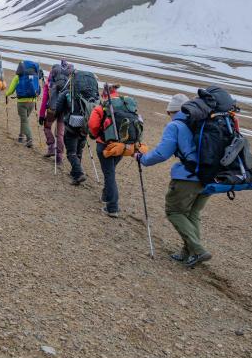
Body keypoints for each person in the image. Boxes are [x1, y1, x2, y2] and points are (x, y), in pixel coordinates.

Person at [134, 93, 213, 268]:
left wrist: (142, 158)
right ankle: (189, 252)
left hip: (188, 177)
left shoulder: (175, 125)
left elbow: (162, 153)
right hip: (210, 176)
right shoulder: (203, 122)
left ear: (171, 111)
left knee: (174, 211)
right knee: (192, 214)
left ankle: (198, 250)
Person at [88, 84, 124, 218]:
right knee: (110, 172)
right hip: (121, 147)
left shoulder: (102, 107)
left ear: (104, 94)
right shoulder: (124, 106)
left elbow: (93, 125)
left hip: (105, 146)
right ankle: (105, 196)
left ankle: (112, 207)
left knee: (109, 174)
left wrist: (96, 135)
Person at [54, 64, 90, 185]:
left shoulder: (67, 92)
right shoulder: (88, 95)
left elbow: (58, 108)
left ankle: (79, 173)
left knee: (71, 153)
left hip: (71, 126)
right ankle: (75, 173)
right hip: (85, 126)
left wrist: (61, 114)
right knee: (79, 150)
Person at [38, 60, 71, 167]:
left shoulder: (50, 82)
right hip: (64, 111)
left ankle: (51, 146)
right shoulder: (69, 83)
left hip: (52, 109)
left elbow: (44, 100)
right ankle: (59, 158)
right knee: (60, 134)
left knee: (47, 127)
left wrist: (42, 115)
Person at [4, 60, 42, 148]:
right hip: (32, 102)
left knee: (24, 120)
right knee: (24, 119)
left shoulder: (18, 76)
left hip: (22, 102)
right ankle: (21, 136)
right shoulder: (34, 76)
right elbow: (37, 88)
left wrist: (6, 94)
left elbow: (11, 90)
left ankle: (29, 139)